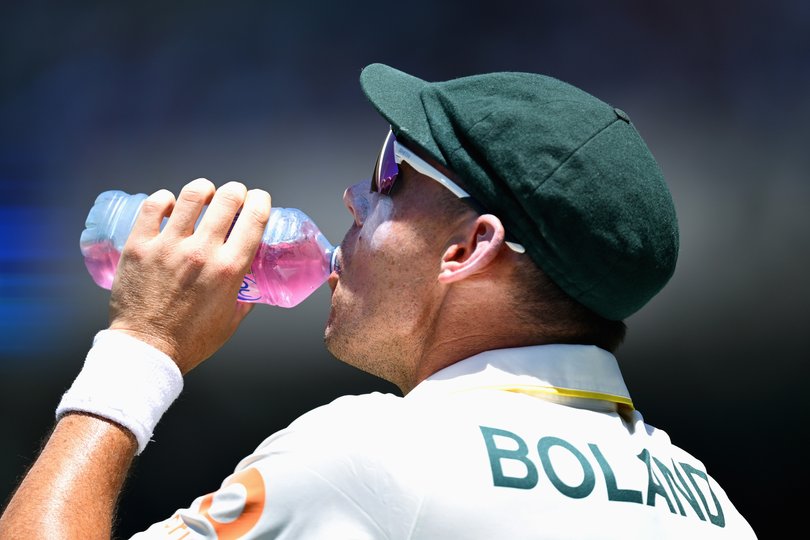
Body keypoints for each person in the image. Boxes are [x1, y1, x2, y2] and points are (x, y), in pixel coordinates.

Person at [0, 63, 757, 539]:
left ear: (471, 248)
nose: (356, 198)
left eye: (393, 172)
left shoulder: (374, 454)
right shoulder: (717, 509)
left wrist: (141, 345)